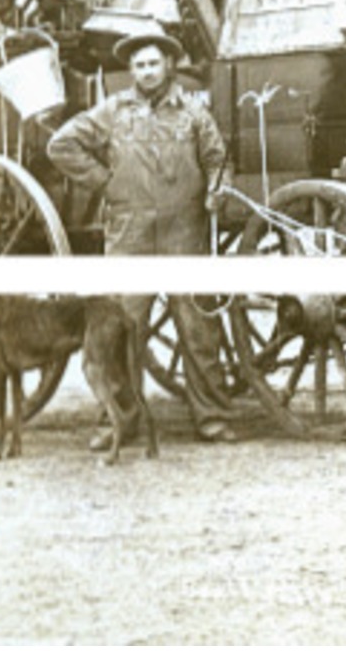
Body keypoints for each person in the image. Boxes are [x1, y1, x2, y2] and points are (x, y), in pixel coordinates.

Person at [46, 29, 240, 447]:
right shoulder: (112, 112)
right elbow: (61, 145)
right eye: (139, 65)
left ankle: (212, 418)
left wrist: (216, 190)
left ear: (169, 65)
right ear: (131, 70)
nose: (147, 71)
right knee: (118, 331)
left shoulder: (192, 113)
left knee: (199, 331)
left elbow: (218, 158)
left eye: (154, 63)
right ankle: (118, 421)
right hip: (129, 238)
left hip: (183, 236)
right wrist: (104, 181)